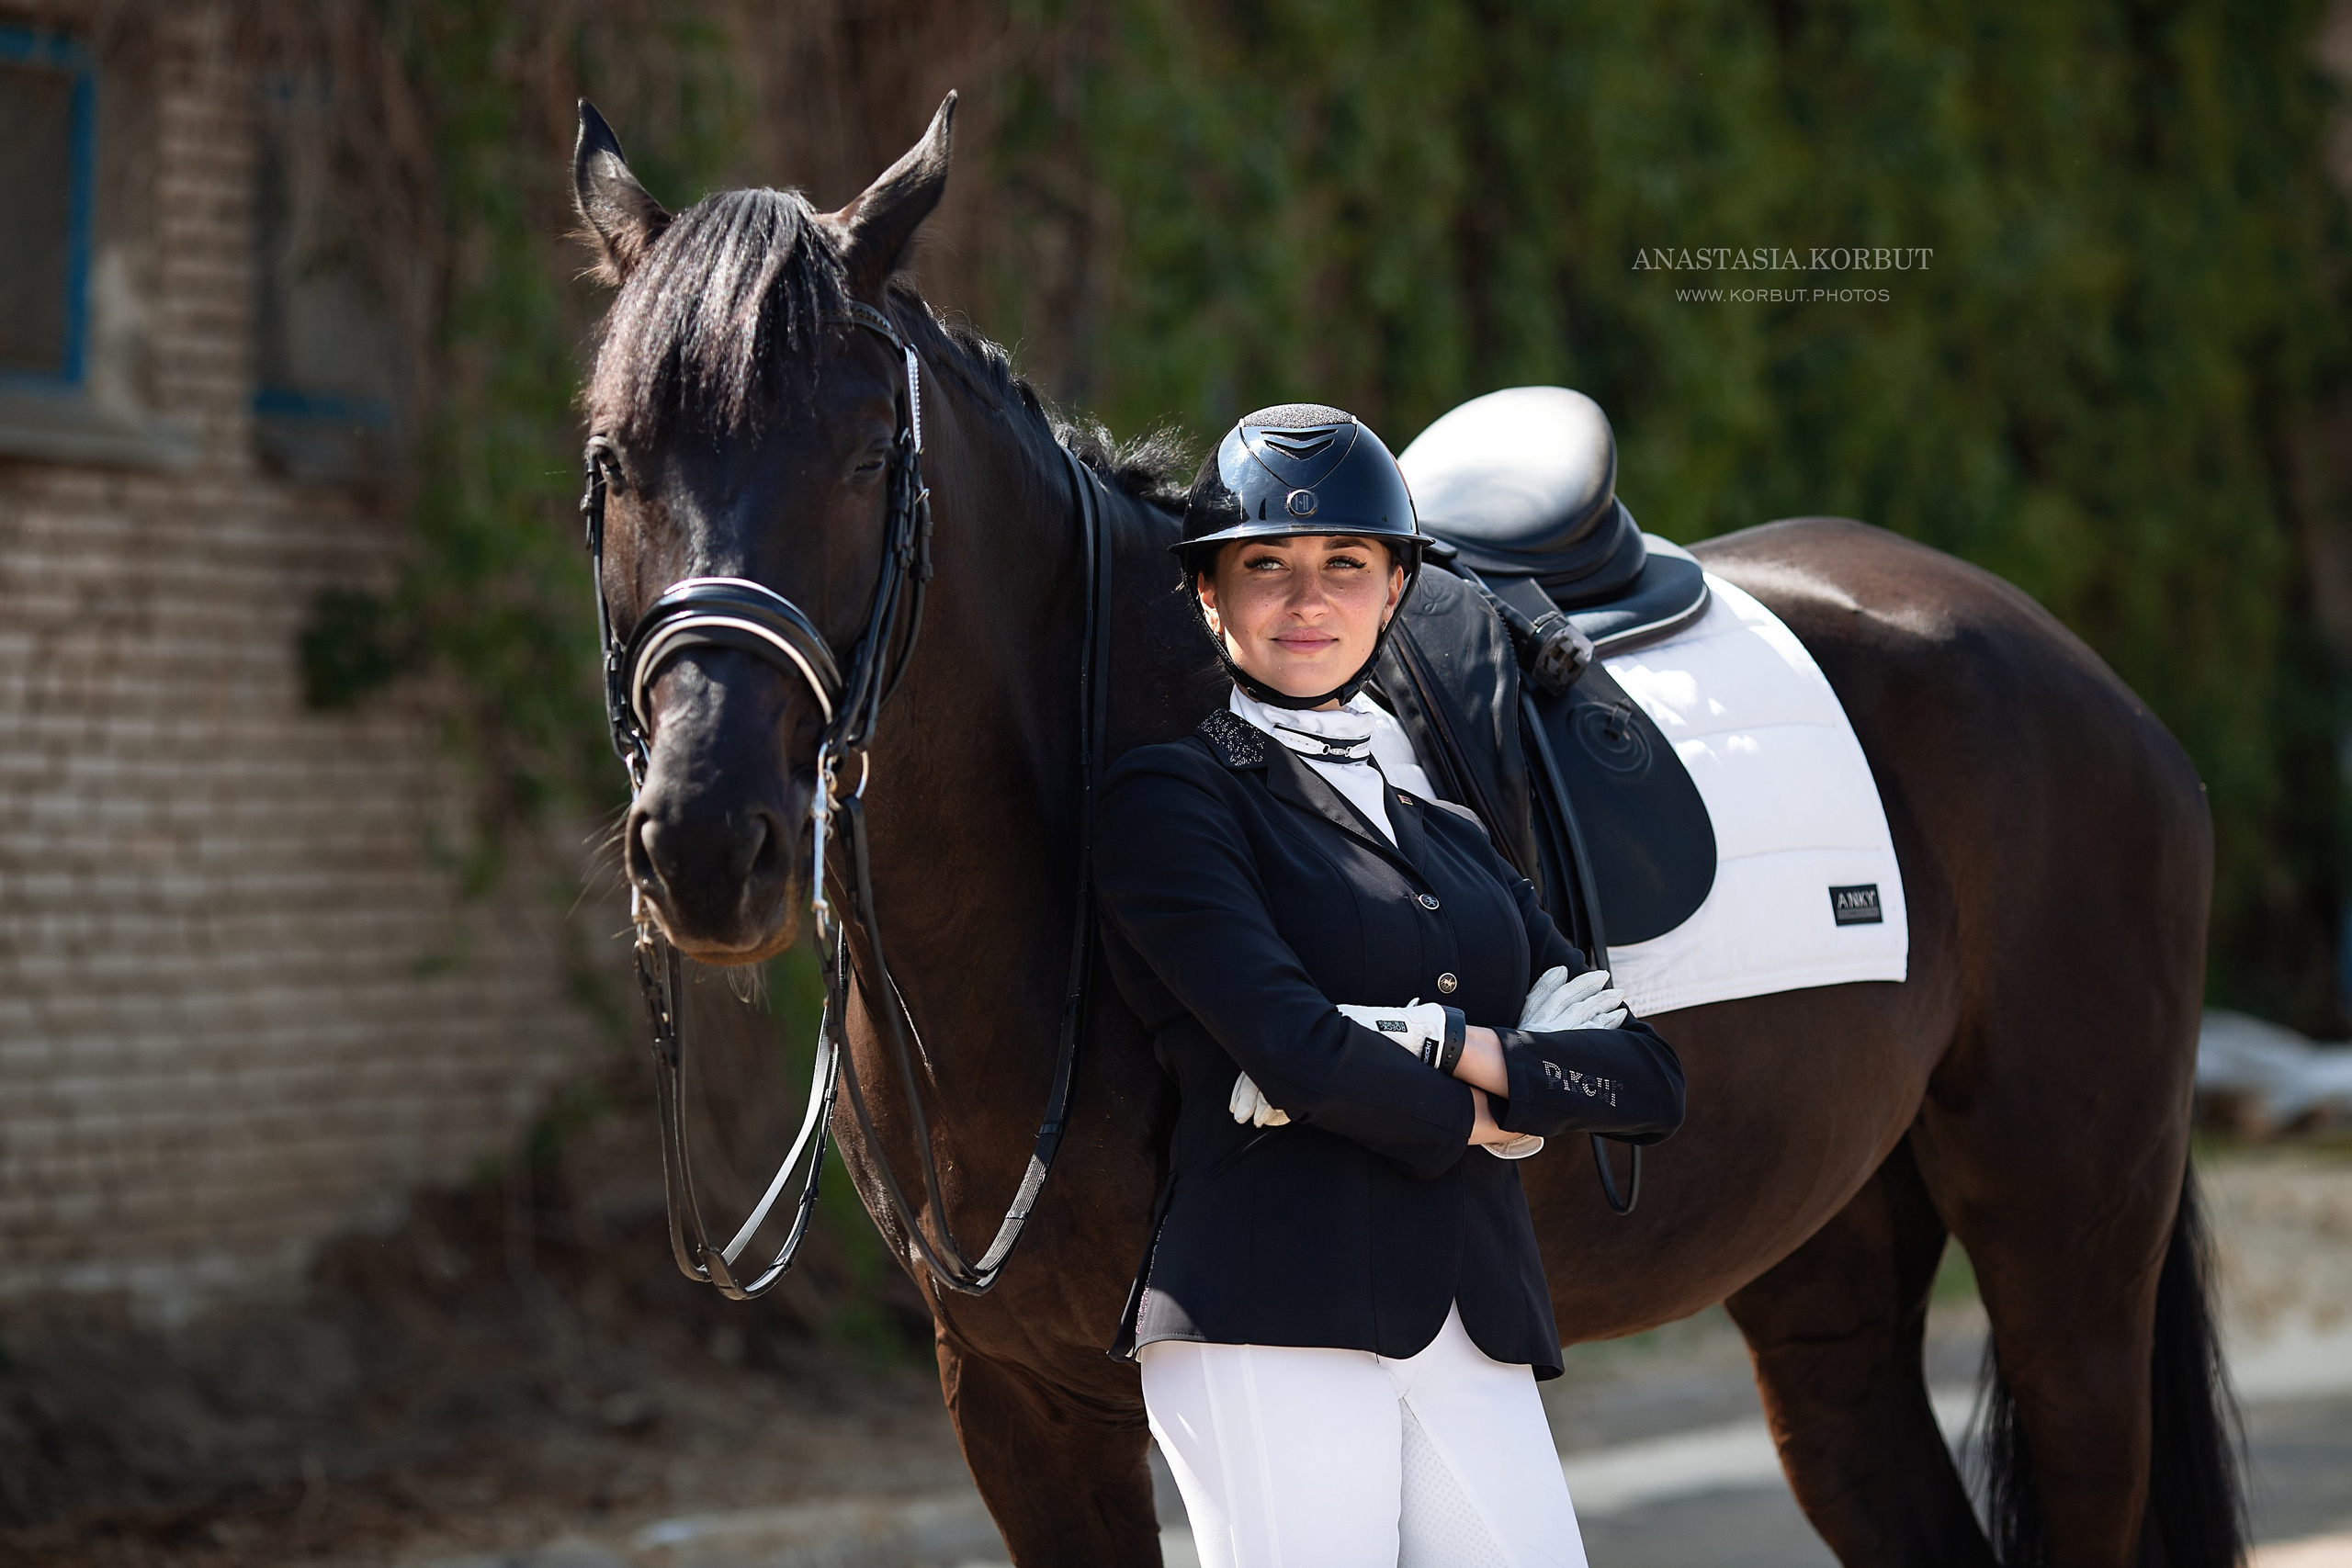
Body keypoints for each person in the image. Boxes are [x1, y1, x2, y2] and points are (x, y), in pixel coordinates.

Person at [1092, 403, 1687, 1567]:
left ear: (1395, 590)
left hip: (1473, 1312)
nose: (1307, 600)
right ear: (1210, 596)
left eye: (1344, 566)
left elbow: (1649, 1082)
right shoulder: (1171, 798)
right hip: (1270, 1313)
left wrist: (1431, 1040)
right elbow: (1290, 1046)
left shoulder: (1452, 835)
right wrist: (1503, 1106)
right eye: (1266, 565)